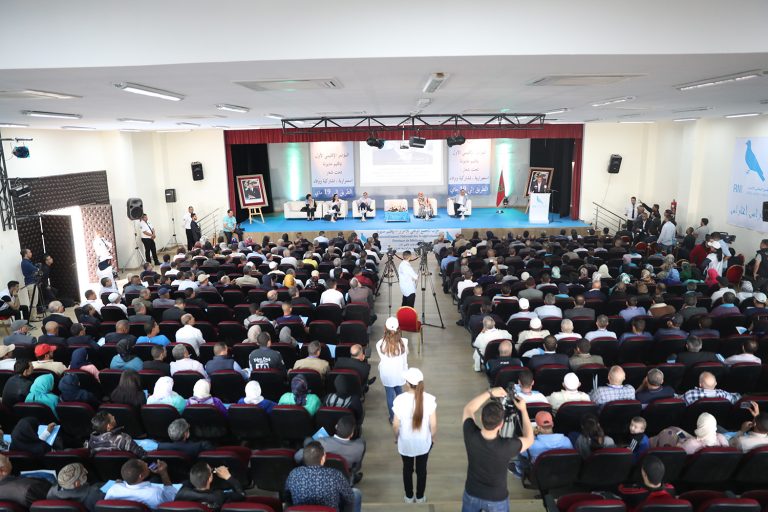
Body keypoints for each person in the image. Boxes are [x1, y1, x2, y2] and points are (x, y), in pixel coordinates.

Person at [461, 388, 533, 512]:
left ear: (481, 418)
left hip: (472, 492)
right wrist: (523, 410)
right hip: (497, 498)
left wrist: (489, 393)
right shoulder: (507, 446)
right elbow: (529, 439)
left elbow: (468, 408)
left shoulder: (470, 434)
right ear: (501, 424)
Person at [393, 368, 436, 504]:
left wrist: (396, 437)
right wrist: (432, 438)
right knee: (422, 470)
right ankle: (420, 497)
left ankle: (409, 496)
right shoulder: (429, 399)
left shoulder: (399, 400)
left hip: (405, 442)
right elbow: (433, 425)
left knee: (407, 469)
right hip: (423, 441)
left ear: (407, 383)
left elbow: (395, 425)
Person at [285, 441, 361, 512]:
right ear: (323, 458)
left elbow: (287, 497)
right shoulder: (335, 475)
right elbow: (349, 498)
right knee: (356, 493)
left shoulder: (293, 474)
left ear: (304, 459)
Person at [514, 411, 573, 476]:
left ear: (538, 427)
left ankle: (520, 471)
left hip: (541, 475)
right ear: (552, 424)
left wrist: (529, 438)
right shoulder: (566, 440)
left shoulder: (532, 444)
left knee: (520, 449)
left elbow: (522, 452)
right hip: (562, 473)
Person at [104, 459, 177, 509]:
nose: (146, 464)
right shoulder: (155, 493)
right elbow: (171, 497)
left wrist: (118, 485)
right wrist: (163, 473)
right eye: (144, 465)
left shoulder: (112, 491)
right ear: (141, 476)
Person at [376, 317, 409, 422]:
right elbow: (405, 361)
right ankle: (402, 414)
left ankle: (393, 418)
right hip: (399, 372)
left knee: (389, 396)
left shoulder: (379, 344)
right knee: (399, 392)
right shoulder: (404, 343)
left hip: (386, 374)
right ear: (398, 328)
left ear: (385, 328)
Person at [175, 462, 244, 511]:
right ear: (210, 478)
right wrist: (228, 477)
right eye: (211, 471)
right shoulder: (219, 496)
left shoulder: (180, 494)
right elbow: (242, 495)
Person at [651, 412, 728, 454]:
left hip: (685, 445)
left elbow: (678, 452)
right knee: (677, 430)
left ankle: (651, 442)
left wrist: (680, 443)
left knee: (670, 432)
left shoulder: (693, 443)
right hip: (691, 443)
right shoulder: (721, 439)